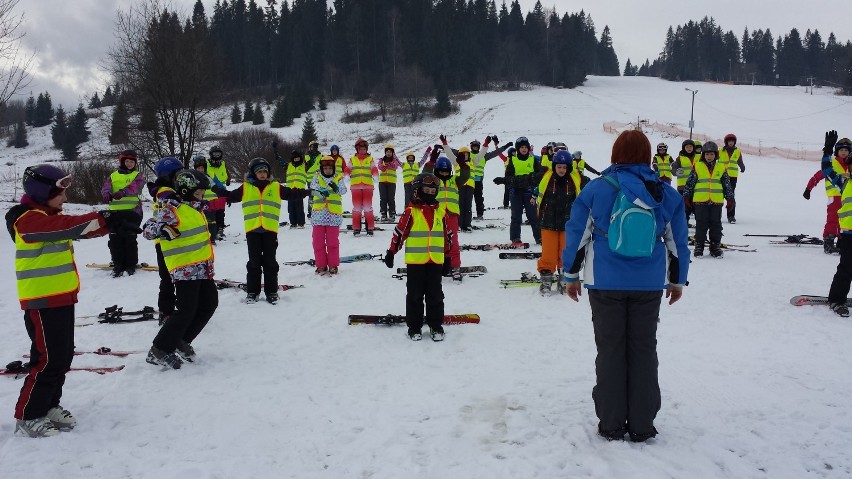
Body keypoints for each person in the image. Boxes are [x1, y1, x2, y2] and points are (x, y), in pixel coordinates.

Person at [562, 130, 691, 443]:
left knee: (610, 349)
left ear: (615, 153)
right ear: (648, 155)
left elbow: (577, 234)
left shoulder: (596, 190)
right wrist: (677, 280)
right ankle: (642, 424)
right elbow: (678, 243)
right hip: (648, 283)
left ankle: (611, 423)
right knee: (644, 348)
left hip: (604, 281)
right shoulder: (666, 193)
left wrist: (570, 275)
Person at [6, 164, 130, 437]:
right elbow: (64, 227)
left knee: (61, 357)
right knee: (47, 359)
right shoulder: (27, 220)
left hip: (62, 298)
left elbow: (74, 229)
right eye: (60, 193)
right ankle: (28, 415)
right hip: (41, 301)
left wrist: (111, 225)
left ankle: (49, 405)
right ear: (42, 193)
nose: (64, 199)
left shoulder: (47, 215)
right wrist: (103, 218)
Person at [142, 170, 225, 369]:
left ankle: (180, 340)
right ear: (186, 191)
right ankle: (159, 349)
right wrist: (163, 230)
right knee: (186, 311)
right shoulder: (172, 209)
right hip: (185, 269)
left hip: (202, 268)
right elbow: (147, 229)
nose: (202, 196)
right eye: (198, 193)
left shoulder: (196, 208)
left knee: (209, 304)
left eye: (202, 193)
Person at [214, 157, 307, 303]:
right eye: (259, 171)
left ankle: (271, 292)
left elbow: (292, 194)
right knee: (254, 263)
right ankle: (252, 292)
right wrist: (215, 188)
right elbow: (231, 196)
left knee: (270, 263)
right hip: (253, 231)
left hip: (270, 230)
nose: (262, 174)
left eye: (265, 171)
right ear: (253, 173)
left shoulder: (275, 186)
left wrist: (308, 192)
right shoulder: (246, 187)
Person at [383, 173, 452, 341]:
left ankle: (436, 326)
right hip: (416, 263)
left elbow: (447, 236)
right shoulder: (411, 212)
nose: (429, 193)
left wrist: (448, 257)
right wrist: (391, 251)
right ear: (417, 191)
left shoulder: (441, 212)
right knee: (414, 295)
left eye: (432, 190)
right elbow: (400, 233)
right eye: (426, 190)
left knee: (435, 295)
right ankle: (414, 327)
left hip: (435, 261)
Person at [535, 150, 587, 294]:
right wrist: (506, 180)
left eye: (564, 167)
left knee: (566, 253)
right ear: (554, 166)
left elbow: (595, 186)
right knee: (548, 254)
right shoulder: (545, 176)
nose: (562, 170)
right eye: (559, 167)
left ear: (568, 167)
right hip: (548, 222)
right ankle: (546, 281)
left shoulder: (576, 178)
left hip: (567, 224)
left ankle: (564, 279)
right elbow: (526, 179)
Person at [147, 157, 184, 325]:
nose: (181, 179)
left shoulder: (168, 188)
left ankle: (183, 309)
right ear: (168, 176)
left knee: (180, 277)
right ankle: (166, 312)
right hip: (164, 243)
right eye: (178, 175)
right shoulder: (163, 191)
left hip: (175, 239)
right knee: (167, 278)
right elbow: (176, 200)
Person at [682, 141, 735, 258]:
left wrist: (730, 198)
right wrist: (686, 196)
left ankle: (715, 246)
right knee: (701, 224)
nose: (709, 157)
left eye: (711, 154)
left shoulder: (721, 167)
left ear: (716, 155)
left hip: (716, 202)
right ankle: (699, 246)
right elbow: (690, 183)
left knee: (716, 224)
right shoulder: (697, 166)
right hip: (700, 201)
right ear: (703, 155)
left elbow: (726, 184)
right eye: (707, 154)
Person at [820, 131, 852, 317]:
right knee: (846, 269)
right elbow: (826, 169)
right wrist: (827, 150)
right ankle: (836, 299)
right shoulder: (844, 182)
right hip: (848, 235)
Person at [100, 149, 145, 277]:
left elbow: (136, 187)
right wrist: (106, 194)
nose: (130, 163)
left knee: (130, 238)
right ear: (122, 161)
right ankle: (118, 264)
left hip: (132, 212)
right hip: (115, 213)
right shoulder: (113, 175)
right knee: (115, 240)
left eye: (132, 161)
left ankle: (130, 264)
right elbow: (105, 187)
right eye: (127, 161)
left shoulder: (138, 175)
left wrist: (123, 192)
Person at [804, 137, 851, 253]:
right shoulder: (832, 163)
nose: (844, 152)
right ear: (837, 151)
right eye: (841, 150)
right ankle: (828, 242)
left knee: (845, 220)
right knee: (833, 220)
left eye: (846, 150)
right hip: (834, 198)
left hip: (847, 199)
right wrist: (808, 188)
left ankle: (842, 242)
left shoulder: (850, 166)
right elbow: (819, 175)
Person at [494, 136, 543, 245]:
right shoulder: (513, 160)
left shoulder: (533, 160)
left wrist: (525, 180)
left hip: (529, 193)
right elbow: (508, 178)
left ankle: (539, 237)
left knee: (533, 216)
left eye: (526, 147)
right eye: (522, 147)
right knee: (516, 216)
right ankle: (515, 238)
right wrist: (525, 179)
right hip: (516, 193)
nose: (524, 149)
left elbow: (538, 176)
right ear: (518, 149)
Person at [310, 156, 348, 275]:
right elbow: (312, 188)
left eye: (329, 168)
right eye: (325, 168)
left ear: (333, 168)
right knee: (318, 242)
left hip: (333, 216)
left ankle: (333, 265)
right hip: (318, 216)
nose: (327, 170)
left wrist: (336, 188)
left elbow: (343, 190)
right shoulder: (316, 177)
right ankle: (321, 265)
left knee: (332, 243)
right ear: (322, 168)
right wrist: (321, 191)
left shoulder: (338, 177)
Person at [434, 156, 463, 282]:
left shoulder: (454, 180)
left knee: (453, 242)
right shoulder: (433, 180)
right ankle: (436, 264)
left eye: (446, 171)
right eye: (442, 171)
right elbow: (425, 170)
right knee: (437, 241)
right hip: (437, 215)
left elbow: (466, 175)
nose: (444, 174)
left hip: (451, 215)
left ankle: (455, 266)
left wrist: (463, 164)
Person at [470, 135, 511, 219]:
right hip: (468, 180)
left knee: (479, 198)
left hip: (478, 180)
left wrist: (505, 147)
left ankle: (480, 214)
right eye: (473, 146)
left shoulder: (484, 156)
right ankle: (466, 215)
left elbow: (495, 153)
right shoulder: (467, 154)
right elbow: (455, 152)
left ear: (479, 147)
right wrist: (444, 146)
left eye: (476, 146)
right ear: (471, 147)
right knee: (467, 199)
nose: (475, 148)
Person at [347, 138, 379, 235]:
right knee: (356, 208)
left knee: (367, 207)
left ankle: (370, 227)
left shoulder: (370, 159)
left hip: (368, 186)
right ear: (357, 149)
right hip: (356, 187)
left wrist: (375, 175)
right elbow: (347, 169)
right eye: (360, 149)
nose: (362, 151)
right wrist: (347, 176)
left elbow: (374, 168)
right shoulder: (352, 159)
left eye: (364, 149)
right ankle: (356, 227)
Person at [193, 155, 223, 244]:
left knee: (211, 222)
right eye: (198, 168)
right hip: (198, 203)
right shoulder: (193, 177)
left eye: (202, 168)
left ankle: (212, 238)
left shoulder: (208, 177)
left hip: (210, 203)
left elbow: (217, 186)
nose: (200, 170)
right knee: (200, 221)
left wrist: (223, 195)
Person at [719, 133, 746, 223]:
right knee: (720, 195)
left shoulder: (737, 151)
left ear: (734, 142)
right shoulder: (720, 151)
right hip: (722, 175)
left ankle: (731, 216)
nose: (731, 143)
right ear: (726, 142)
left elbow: (739, 161)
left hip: (732, 177)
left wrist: (742, 167)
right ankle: (717, 215)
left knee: (731, 195)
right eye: (729, 141)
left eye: (732, 141)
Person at [207, 146, 230, 240]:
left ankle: (220, 229)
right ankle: (212, 231)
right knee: (211, 213)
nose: (217, 156)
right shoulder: (206, 164)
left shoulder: (223, 163)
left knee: (221, 212)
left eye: (218, 154)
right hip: (209, 194)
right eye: (215, 154)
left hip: (221, 193)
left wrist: (228, 179)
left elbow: (227, 174)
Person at [283, 150, 308, 228]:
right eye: (295, 158)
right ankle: (293, 223)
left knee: (299, 207)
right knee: (291, 208)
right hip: (290, 190)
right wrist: (275, 152)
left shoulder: (304, 166)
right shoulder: (288, 165)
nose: (296, 159)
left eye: (298, 158)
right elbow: (280, 161)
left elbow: (312, 162)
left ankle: (301, 223)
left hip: (299, 190)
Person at [377, 144, 401, 220]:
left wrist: (388, 165)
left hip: (391, 182)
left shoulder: (395, 160)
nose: (388, 153)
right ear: (385, 152)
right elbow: (380, 167)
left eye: (390, 152)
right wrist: (387, 165)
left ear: (392, 153)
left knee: (391, 198)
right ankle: (383, 214)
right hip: (382, 182)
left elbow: (395, 166)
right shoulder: (381, 159)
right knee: (383, 198)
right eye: (387, 151)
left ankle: (392, 213)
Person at [675, 139, 696, 226]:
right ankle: (684, 224)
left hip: (695, 186)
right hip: (682, 187)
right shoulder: (680, 158)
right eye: (687, 147)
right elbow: (674, 168)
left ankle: (700, 225)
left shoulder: (699, 157)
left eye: (690, 146)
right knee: (685, 207)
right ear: (684, 148)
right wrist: (676, 171)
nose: (689, 148)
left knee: (696, 207)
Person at [305, 141, 323, 220]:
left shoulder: (320, 155)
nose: (314, 148)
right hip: (310, 179)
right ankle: (310, 211)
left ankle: (319, 209)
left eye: (315, 146)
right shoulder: (307, 156)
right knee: (311, 196)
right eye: (313, 147)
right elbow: (308, 165)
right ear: (310, 147)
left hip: (319, 178)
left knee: (319, 194)